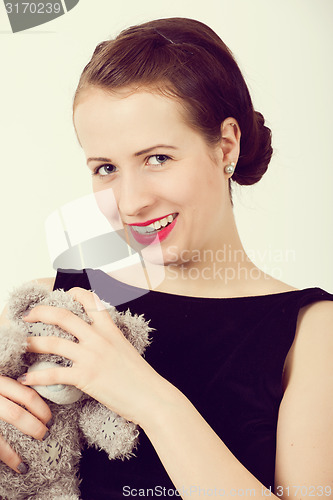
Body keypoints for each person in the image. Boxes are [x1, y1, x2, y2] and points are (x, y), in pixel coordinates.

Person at [1, 17, 333, 499]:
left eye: (157, 158)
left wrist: (149, 400)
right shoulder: (59, 306)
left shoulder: (311, 333)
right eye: (106, 168)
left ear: (226, 146)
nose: (131, 201)